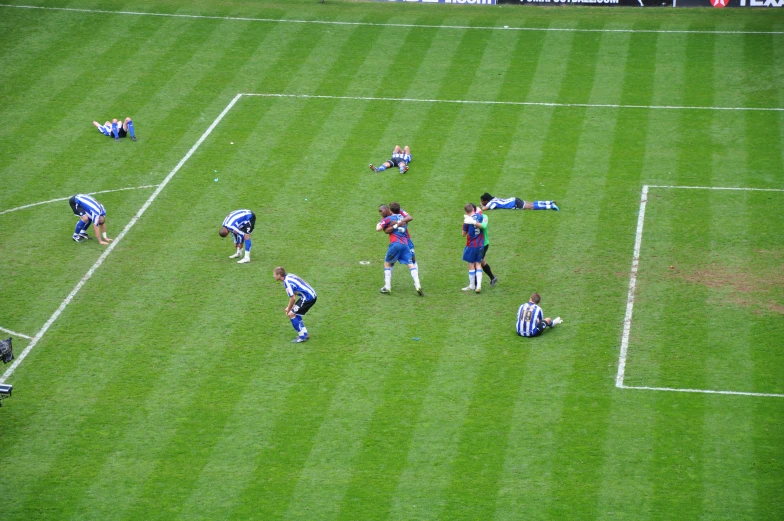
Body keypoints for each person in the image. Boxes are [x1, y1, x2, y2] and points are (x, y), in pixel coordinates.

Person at [376, 204, 423, 296]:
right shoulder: (402, 218)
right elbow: (407, 218)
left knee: (388, 263)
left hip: (396, 244)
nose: (380, 213)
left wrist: (388, 225)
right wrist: (398, 224)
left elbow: (379, 229)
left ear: (389, 209)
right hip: (405, 244)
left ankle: (387, 287)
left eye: (381, 211)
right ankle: (418, 285)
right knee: (410, 264)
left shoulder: (388, 219)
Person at [273, 267, 317, 343]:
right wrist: (291, 306)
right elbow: (295, 291)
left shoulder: (287, 282)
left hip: (308, 297)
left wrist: (289, 308)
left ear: (279, 275)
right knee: (296, 313)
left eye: (274, 274)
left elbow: (292, 298)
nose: (273, 276)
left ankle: (302, 337)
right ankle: (305, 334)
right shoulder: (289, 276)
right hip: (310, 295)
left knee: (291, 314)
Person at [470, 203, 498, 287]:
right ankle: (493, 278)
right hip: (475, 244)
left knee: (476, 262)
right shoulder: (470, 218)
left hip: (483, 244)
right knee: (482, 262)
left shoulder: (484, 217)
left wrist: (473, 222)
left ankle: (475, 285)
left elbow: (484, 226)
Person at [461, 203, 485, 293]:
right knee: (478, 264)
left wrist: (464, 223)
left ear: (466, 212)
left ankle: (472, 285)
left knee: (471, 265)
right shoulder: (480, 216)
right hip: (480, 245)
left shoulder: (467, 221)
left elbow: (463, 234)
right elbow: (482, 225)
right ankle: (478, 286)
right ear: (473, 209)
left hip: (471, 245)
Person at [389, 202, 417, 269]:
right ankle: (388, 279)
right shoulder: (389, 215)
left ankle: (416, 278)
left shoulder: (399, 211)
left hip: (406, 238)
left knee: (412, 258)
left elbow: (409, 217)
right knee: (390, 261)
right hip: (396, 240)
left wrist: (398, 222)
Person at [480, 193, 559, 211]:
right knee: (532, 203)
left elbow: (484, 209)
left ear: (486, 200)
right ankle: (549, 202)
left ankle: (551, 206)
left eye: (482, 201)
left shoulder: (491, 203)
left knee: (532, 207)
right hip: (514, 199)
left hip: (515, 203)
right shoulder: (494, 198)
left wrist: (481, 205)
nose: (481, 202)